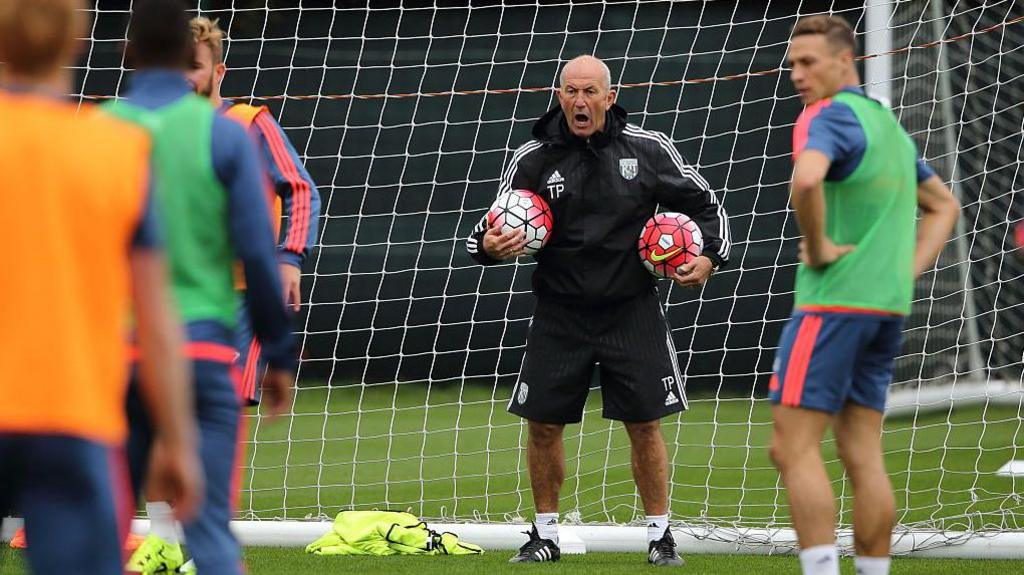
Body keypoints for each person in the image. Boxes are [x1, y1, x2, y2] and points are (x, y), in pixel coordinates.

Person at [466, 54, 731, 566]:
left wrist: (709, 256)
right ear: (559, 95)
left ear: (610, 97)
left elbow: (706, 203)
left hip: (631, 308)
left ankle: (660, 536)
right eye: (571, 91)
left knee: (646, 423)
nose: (580, 101)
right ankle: (544, 535)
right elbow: (491, 226)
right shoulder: (533, 158)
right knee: (542, 424)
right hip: (559, 311)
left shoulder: (647, 150)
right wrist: (487, 248)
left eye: (590, 91)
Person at [0, 0, 202, 573]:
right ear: (77, 38)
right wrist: (176, 441)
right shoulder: (116, 150)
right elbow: (157, 318)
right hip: (71, 415)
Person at [104, 1, 297, 573]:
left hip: (120, 354)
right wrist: (280, 355)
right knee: (210, 526)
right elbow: (259, 257)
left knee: (101, 528)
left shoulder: (98, 131)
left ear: (128, 55)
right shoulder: (223, 135)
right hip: (201, 350)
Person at [768, 15, 960, 575]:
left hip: (833, 305)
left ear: (845, 59)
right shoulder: (888, 125)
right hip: (883, 307)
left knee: (792, 448)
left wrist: (820, 245)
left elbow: (805, 180)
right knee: (862, 454)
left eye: (808, 62)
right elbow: (944, 205)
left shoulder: (825, 117)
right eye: (792, 65)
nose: (798, 75)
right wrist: (907, 272)